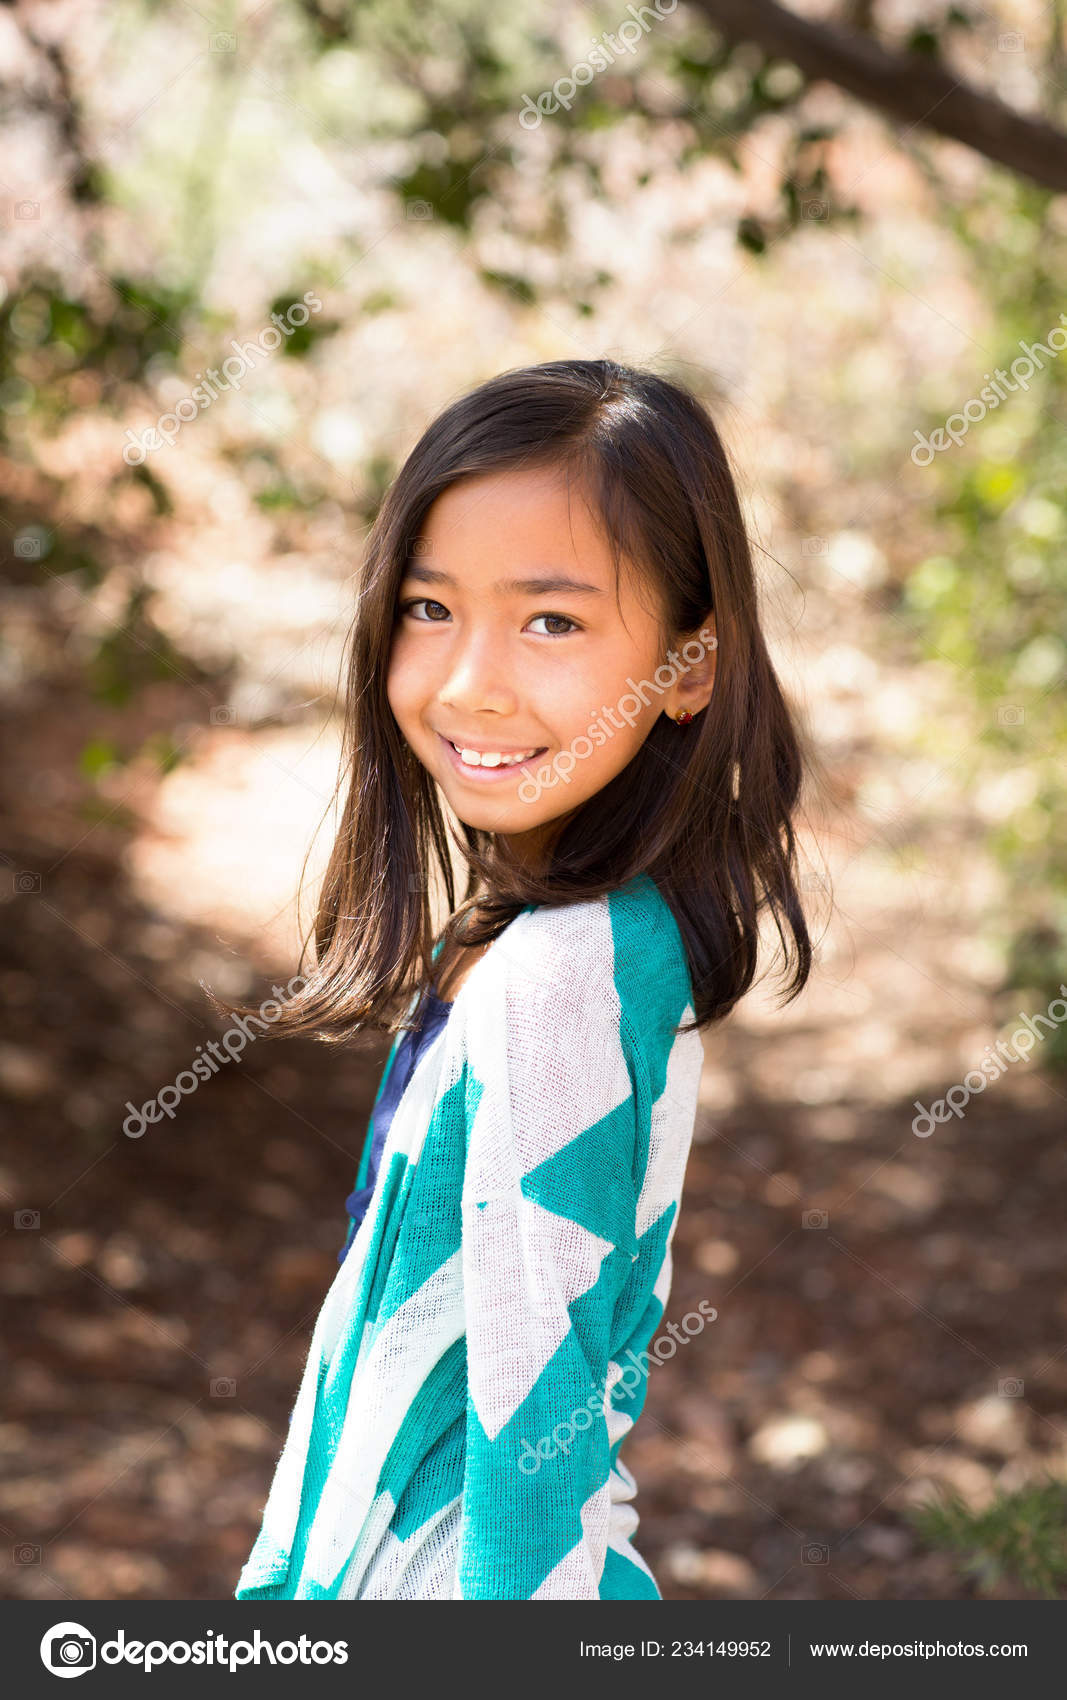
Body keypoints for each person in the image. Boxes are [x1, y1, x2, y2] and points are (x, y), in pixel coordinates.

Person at [229, 358, 812, 1600]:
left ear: (690, 665)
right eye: (430, 607)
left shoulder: (559, 981)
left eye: (552, 620)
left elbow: (532, 1441)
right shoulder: (566, 939)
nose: (467, 681)